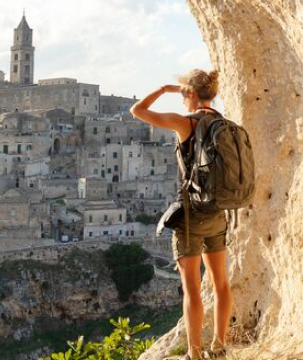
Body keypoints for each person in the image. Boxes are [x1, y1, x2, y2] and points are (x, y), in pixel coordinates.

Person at [130, 68, 231, 359]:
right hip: (218, 213)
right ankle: (220, 345)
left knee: (192, 289)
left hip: (190, 215)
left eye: (184, 93)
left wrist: (164, 90)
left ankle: (195, 352)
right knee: (221, 282)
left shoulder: (185, 123)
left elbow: (137, 110)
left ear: (189, 93)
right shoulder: (222, 123)